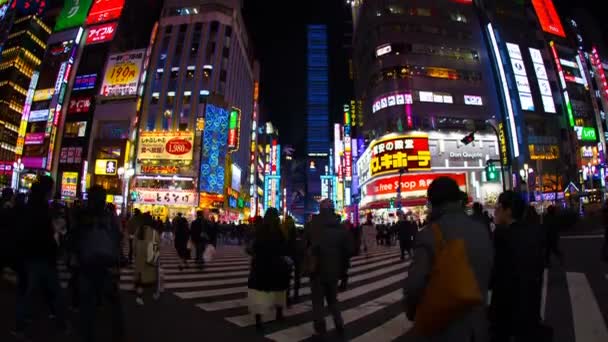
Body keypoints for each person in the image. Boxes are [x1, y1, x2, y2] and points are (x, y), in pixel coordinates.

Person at [403, 177, 493, 341]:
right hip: (478, 326)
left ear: (432, 204)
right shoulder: (481, 230)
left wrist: (412, 311)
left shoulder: (429, 234)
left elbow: (415, 285)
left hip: (443, 328)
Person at [14, 176, 70, 340]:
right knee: (54, 292)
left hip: (29, 253)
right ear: (48, 190)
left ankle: (20, 326)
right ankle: (60, 324)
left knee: (28, 291)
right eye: (51, 189)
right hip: (42, 255)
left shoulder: (30, 206)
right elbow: (45, 233)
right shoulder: (43, 209)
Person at [71, 185, 125, 342]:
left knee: (87, 304)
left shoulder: (81, 216)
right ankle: (118, 334)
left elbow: (74, 238)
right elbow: (118, 237)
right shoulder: (110, 217)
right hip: (107, 263)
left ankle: (87, 335)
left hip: (86, 263)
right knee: (113, 302)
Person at [490, 191, 547, 341]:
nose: (495, 211)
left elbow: (496, 274)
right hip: (531, 305)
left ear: (508, 211)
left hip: (508, 309)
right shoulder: (533, 233)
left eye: (498, 207)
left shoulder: (502, 236)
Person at [305, 199, 354, 339]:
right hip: (334, 269)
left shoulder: (311, 225)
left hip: (317, 268)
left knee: (317, 301)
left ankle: (320, 329)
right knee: (333, 299)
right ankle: (339, 324)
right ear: (332, 209)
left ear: (320, 209)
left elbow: (303, 246)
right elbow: (350, 250)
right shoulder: (341, 227)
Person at [247, 208, 290, 333]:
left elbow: (253, 247)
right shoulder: (280, 231)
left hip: (261, 264)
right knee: (279, 289)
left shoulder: (260, 230)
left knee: (258, 292)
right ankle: (279, 313)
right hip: (277, 264)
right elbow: (284, 247)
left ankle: (259, 320)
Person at [133, 212, 160, 305]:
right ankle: (155, 294)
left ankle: (139, 297)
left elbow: (134, 245)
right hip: (150, 257)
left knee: (140, 279)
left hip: (140, 258)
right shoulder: (153, 232)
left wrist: (135, 254)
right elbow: (158, 245)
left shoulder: (139, 230)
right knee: (152, 276)